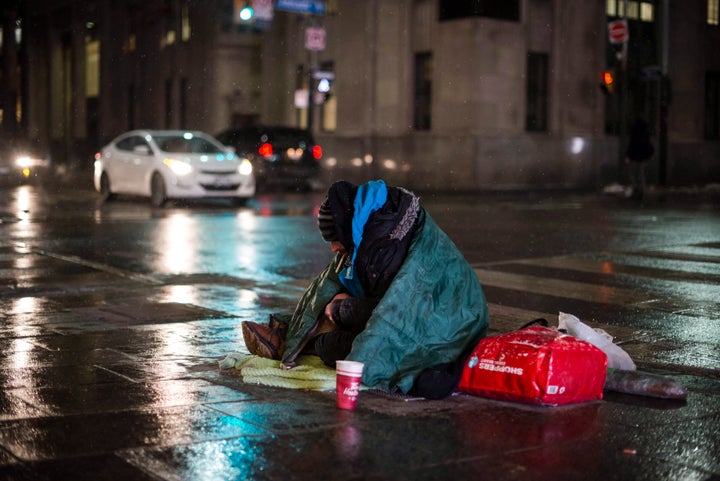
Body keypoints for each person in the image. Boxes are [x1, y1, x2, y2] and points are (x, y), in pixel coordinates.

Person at [242, 179, 489, 398]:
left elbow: (396, 312)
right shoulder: (371, 229)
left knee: (335, 334)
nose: (332, 248)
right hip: (427, 314)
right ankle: (293, 336)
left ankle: (302, 343)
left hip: (443, 325)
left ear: (347, 231)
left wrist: (343, 312)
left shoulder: (382, 241)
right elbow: (339, 288)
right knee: (340, 308)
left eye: (333, 239)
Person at [624, 119, 654, 201]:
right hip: (643, 158)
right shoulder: (646, 134)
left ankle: (637, 189)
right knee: (641, 175)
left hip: (635, 157)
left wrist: (627, 156)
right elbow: (648, 146)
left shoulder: (635, 134)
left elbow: (632, 146)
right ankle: (642, 191)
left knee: (632, 174)